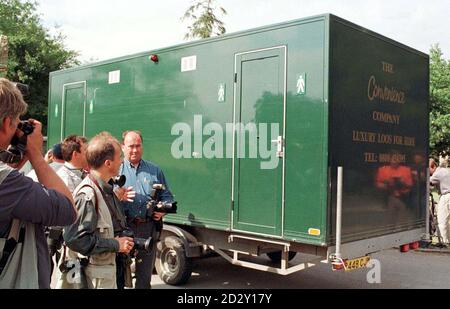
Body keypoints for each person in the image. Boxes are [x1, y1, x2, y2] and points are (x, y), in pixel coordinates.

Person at [0, 77, 76, 288]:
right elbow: (68, 209)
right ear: (7, 124)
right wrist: (35, 154)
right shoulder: (7, 183)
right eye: (16, 121)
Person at [60, 132, 134, 289]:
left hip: (112, 273)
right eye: (120, 156)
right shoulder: (87, 194)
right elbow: (74, 239)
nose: (122, 161)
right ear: (108, 163)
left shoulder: (107, 189)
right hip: (95, 279)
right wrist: (115, 244)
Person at [119, 130, 174, 289]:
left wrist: (163, 209)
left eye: (138, 146)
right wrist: (118, 196)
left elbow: (167, 196)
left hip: (147, 228)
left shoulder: (155, 170)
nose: (135, 150)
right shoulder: (116, 169)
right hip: (123, 228)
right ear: (123, 147)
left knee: (144, 279)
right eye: (131, 146)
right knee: (119, 274)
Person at [48, 135, 88, 282]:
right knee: (71, 282)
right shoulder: (64, 178)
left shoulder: (82, 174)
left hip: (82, 240)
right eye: (85, 150)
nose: (88, 153)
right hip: (70, 243)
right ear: (76, 154)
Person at [429, 158, 450, 246]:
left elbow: (427, 181)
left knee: (442, 221)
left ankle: (444, 243)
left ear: (433, 166)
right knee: (447, 222)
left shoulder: (437, 173)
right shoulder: (444, 170)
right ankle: (447, 241)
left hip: (446, 196)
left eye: (428, 169)